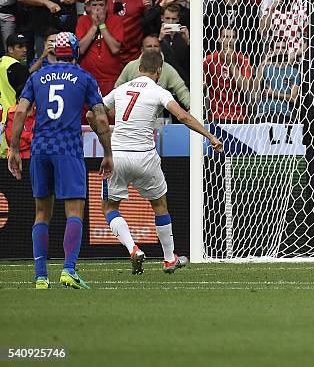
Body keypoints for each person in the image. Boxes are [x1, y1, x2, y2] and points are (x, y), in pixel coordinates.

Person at [88, 50, 223, 274]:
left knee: (110, 207)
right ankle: (169, 258)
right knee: (159, 206)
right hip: (146, 157)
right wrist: (210, 137)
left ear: (139, 68)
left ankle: (133, 249)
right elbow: (183, 116)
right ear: (159, 70)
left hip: (118, 155)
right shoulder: (159, 91)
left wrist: (104, 137)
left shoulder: (120, 89)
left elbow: (92, 115)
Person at [7, 32, 113, 289]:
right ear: (76, 53)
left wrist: (13, 149)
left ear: (54, 51)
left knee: (41, 212)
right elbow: (100, 118)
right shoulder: (85, 78)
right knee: (74, 211)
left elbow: (20, 111)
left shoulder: (37, 76)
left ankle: (41, 276)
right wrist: (108, 153)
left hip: (40, 148)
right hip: (68, 148)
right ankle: (68, 270)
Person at [115, 34, 190, 111]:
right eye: (149, 46)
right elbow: (118, 88)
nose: (153, 49)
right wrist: (114, 107)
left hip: (158, 118)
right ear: (142, 50)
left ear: (160, 49)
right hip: (131, 114)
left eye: (156, 46)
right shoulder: (131, 66)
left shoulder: (168, 69)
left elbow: (181, 90)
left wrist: (192, 107)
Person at [16, 0, 90, 57]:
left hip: (67, 29)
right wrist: (45, 2)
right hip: (42, 28)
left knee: (67, 61)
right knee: (44, 61)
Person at [76, 0, 124, 97]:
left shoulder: (116, 20)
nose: (97, 9)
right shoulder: (83, 21)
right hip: (88, 77)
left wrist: (102, 25)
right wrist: (94, 26)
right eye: (94, 5)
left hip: (111, 78)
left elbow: (115, 49)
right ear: (89, 7)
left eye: (101, 5)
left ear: (107, 6)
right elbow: (80, 49)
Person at [0, 32, 30, 158]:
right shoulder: (18, 69)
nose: (24, 50)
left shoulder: (2, 64)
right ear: (10, 49)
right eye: (19, 47)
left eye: (25, 46)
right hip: (11, 120)